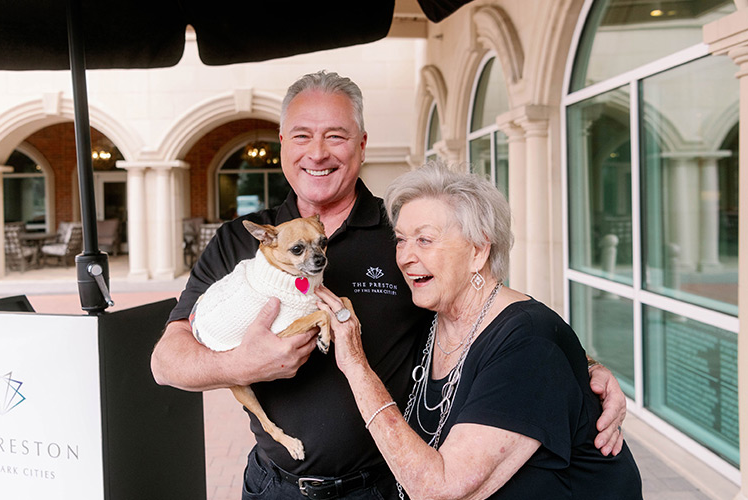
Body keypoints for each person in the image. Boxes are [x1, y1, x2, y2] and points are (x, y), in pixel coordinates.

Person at [151, 71, 627, 499]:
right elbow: (166, 362)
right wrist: (242, 363)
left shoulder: (401, 235)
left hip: (382, 487)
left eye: (335, 136)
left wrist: (580, 368)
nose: (317, 153)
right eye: (302, 136)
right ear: (282, 143)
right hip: (273, 486)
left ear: (361, 144)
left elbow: (485, 308)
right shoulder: (242, 240)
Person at [315, 161, 642, 499]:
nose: (405, 257)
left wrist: (355, 364)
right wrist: (589, 366)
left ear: (478, 250)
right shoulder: (434, 316)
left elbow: (439, 491)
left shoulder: (530, 342)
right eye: (401, 240)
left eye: (425, 240)